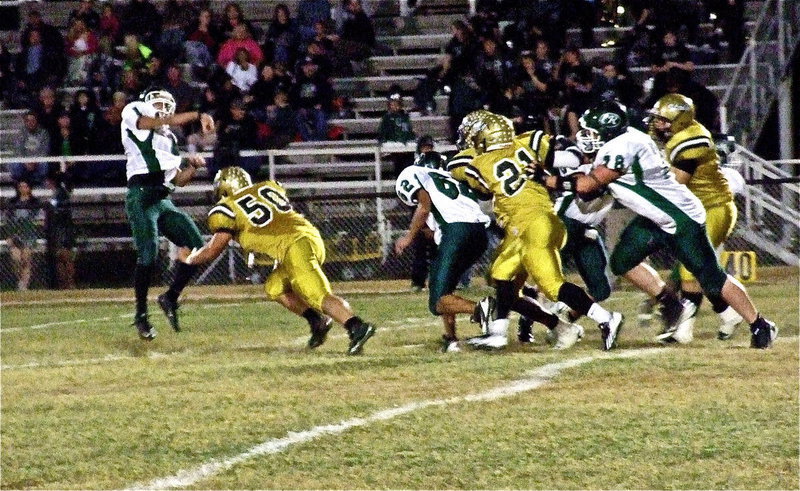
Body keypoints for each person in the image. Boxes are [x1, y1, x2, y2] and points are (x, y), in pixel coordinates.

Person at [537, 100, 777, 349]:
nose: (585, 137)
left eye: (591, 132)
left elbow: (588, 186)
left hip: (681, 219)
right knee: (622, 261)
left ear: (609, 130)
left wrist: (546, 179)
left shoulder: (622, 146)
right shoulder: (628, 137)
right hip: (654, 218)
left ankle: (760, 323)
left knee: (711, 278)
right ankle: (671, 303)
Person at [448, 111, 622, 350]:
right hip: (534, 223)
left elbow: (481, 191)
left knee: (551, 286)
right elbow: (571, 156)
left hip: (533, 224)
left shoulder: (478, 163)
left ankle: (606, 319)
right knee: (501, 274)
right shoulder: (529, 141)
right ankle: (498, 333)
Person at [184, 167, 377, 355]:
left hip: (294, 246)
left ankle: (356, 326)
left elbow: (213, 250)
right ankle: (317, 321)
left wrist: (190, 258)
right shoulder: (268, 186)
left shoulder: (228, 207)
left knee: (318, 296)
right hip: (309, 237)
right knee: (275, 287)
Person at [647, 93, 743, 342]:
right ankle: (729, 313)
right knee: (700, 270)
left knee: (692, 269)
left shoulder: (691, 140)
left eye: (662, 120)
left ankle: (682, 330)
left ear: (679, 120)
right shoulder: (679, 135)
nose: (657, 124)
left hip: (714, 208)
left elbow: (677, 184)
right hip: (699, 209)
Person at [121, 88, 215, 340]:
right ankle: (141, 316)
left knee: (198, 247)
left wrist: (193, 166)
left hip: (161, 199)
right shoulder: (133, 111)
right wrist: (198, 114)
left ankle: (170, 297)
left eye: (166, 104)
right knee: (148, 254)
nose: (162, 108)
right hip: (140, 195)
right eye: (158, 102)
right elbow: (153, 122)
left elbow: (178, 180)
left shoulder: (170, 140)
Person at [394, 144, 493, 352]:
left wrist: (408, 237)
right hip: (479, 234)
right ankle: (451, 338)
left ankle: (479, 309)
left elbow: (424, 206)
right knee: (443, 288)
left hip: (456, 232)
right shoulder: (452, 179)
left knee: (436, 302)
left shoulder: (415, 172)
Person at [6, 180, 43, 291]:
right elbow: (8, 219)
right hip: (15, 234)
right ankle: (20, 279)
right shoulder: (12, 202)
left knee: (26, 258)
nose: (23, 189)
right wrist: (9, 235)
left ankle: (24, 285)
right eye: (21, 186)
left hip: (29, 234)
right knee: (16, 259)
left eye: (25, 186)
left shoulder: (35, 202)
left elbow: (39, 219)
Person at [44, 171, 77, 289]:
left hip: (63, 229)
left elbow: (58, 210)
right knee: (59, 258)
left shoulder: (61, 194)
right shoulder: (58, 193)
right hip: (58, 229)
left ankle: (69, 284)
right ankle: (63, 285)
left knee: (65, 257)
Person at [13, 112, 51, 184]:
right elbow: (18, 149)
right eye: (28, 121)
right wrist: (26, 161)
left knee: (44, 164)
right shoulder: (21, 133)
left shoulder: (44, 133)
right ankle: (20, 183)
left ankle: (40, 182)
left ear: (36, 121)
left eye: (32, 120)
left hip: (38, 160)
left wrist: (35, 161)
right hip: (24, 161)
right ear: (25, 122)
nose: (30, 123)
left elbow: (45, 149)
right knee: (15, 164)